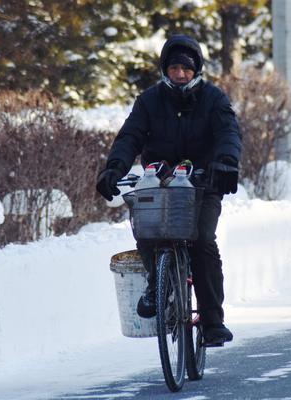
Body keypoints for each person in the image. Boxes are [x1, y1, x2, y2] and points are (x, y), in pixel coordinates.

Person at [96, 34, 242, 345]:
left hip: (203, 184)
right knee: (148, 230)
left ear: (196, 70)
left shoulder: (213, 99)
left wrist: (226, 163)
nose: (180, 74)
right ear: (165, 69)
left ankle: (213, 321)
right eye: (174, 68)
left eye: (186, 69)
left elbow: (229, 132)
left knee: (203, 240)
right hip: (159, 181)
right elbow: (129, 137)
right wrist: (114, 168)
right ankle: (156, 285)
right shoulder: (149, 100)